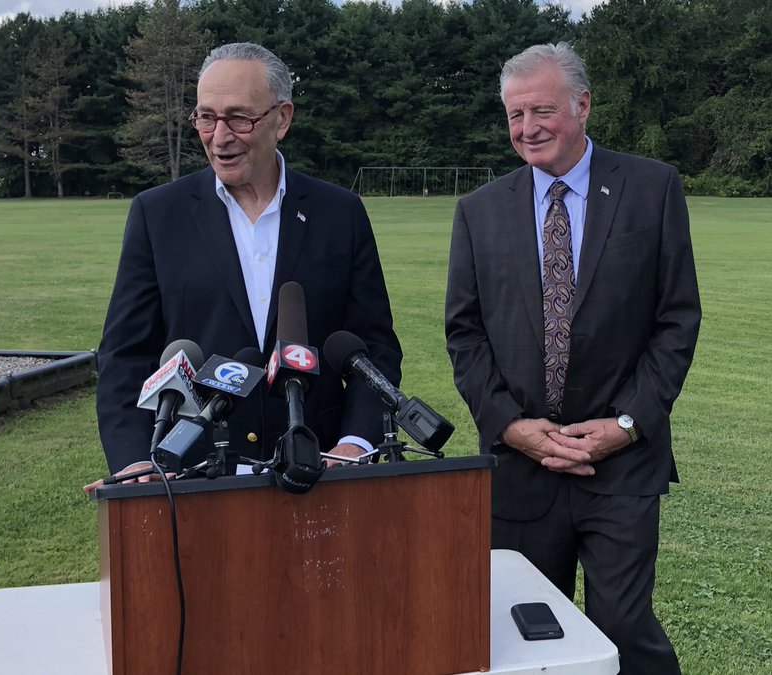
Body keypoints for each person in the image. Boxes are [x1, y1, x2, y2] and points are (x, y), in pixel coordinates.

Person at [445, 43, 701, 673]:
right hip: (521, 468)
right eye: (514, 115)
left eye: (541, 110)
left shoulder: (652, 189)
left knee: (622, 628)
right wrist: (510, 427)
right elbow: (464, 334)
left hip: (621, 466)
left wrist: (627, 424)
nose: (527, 128)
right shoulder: (478, 212)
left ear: (582, 105)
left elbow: (676, 321)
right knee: (527, 635)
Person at [91, 42, 402, 485]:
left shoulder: (340, 213)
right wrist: (134, 459)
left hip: (319, 475)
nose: (220, 136)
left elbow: (375, 347)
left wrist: (355, 442)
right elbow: (124, 355)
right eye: (206, 117)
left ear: (282, 119)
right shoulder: (157, 214)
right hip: (190, 479)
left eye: (239, 117)